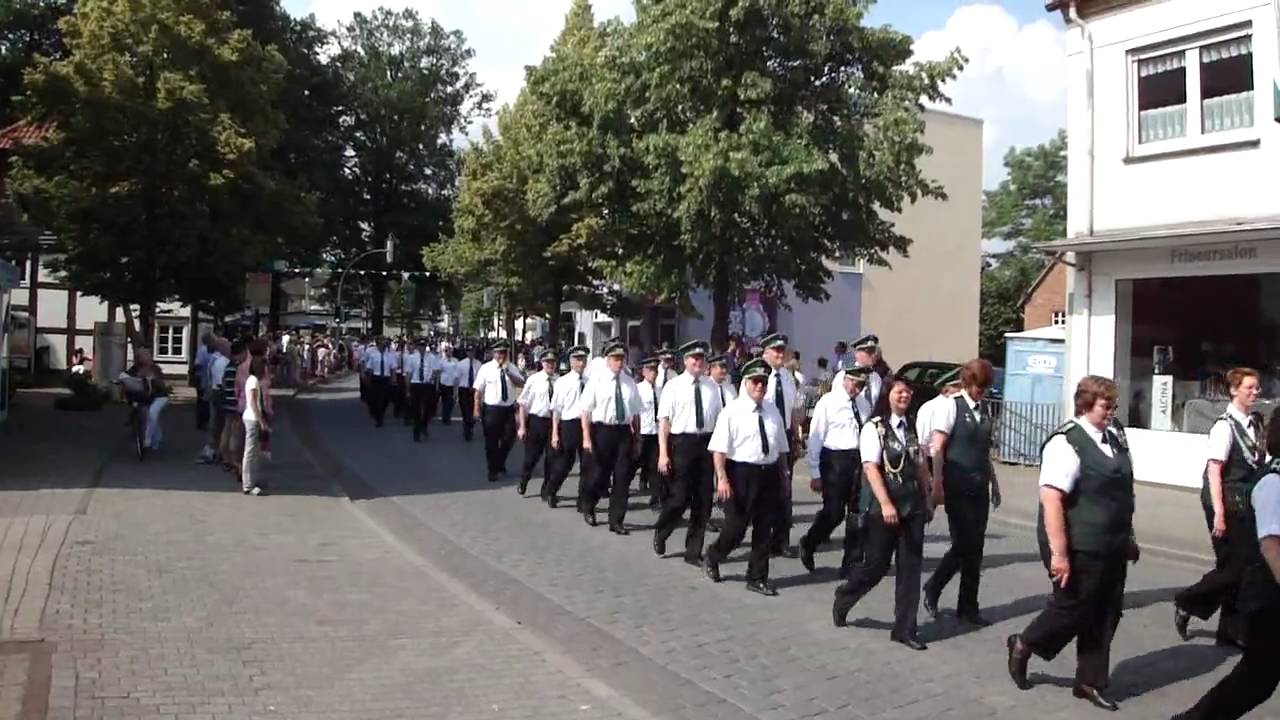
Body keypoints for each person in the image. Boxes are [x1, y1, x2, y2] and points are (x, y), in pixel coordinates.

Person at [1007, 375, 1140, 711]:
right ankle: (1025, 643)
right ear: (1085, 404)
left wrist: (1129, 537)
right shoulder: (1066, 442)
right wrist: (1059, 554)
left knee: (1107, 611)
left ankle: (1088, 681)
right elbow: (1051, 500)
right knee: (1072, 608)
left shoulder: (1114, 438)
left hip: (1111, 541)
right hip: (1078, 542)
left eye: (1113, 405)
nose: (1111, 412)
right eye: (1105, 406)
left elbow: (1122, 493)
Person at [1172, 407, 1280, 720]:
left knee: (1255, 679)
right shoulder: (1272, 483)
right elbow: (1272, 547)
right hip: (1269, 598)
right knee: (1255, 681)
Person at [832, 375, 930, 649]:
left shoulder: (911, 426)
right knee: (876, 566)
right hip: (883, 507)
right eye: (900, 391)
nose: (905, 396)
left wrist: (929, 498)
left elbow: (920, 463)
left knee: (911, 568)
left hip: (912, 506)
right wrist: (886, 503)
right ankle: (845, 596)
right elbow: (871, 468)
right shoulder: (874, 428)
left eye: (908, 392)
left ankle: (904, 628)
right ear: (888, 394)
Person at [1174, 367, 1264, 648]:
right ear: (1234, 390)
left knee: (1238, 566)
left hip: (1247, 502)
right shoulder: (1224, 427)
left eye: (1257, 387)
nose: (1255, 392)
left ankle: (1229, 631)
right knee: (1237, 566)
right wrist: (1219, 515)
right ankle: (1187, 601)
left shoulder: (1255, 424)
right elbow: (1214, 471)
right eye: (1249, 387)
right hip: (1224, 502)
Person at [923, 358, 1001, 627]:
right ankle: (933, 586)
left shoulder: (984, 411)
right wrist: (937, 485)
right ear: (967, 383)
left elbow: (984, 451)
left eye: (985, 387)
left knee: (975, 549)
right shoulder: (951, 407)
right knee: (963, 544)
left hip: (979, 485)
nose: (982, 391)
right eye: (978, 386)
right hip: (956, 485)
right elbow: (937, 448)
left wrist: (995, 483)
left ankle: (968, 607)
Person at [702, 358, 787, 596]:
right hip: (740, 473)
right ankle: (714, 555)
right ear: (746, 383)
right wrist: (722, 479)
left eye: (763, 382)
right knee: (736, 527)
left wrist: (784, 475)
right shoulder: (732, 411)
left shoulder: (772, 411)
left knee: (764, 528)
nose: (760, 387)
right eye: (755, 382)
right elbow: (719, 449)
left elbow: (780, 447)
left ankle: (757, 576)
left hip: (767, 473)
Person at [653, 341, 724, 563]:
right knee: (679, 497)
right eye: (694, 358)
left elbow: (720, 420)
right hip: (682, 443)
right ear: (685, 361)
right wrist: (663, 453)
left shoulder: (712, 387)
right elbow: (664, 422)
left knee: (703, 500)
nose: (698, 362)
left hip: (705, 443)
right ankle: (662, 530)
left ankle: (693, 550)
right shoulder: (673, 386)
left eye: (702, 358)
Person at [800, 365, 873, 575]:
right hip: (834, 460)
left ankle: (851, 562)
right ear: (844, 380)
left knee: (857, 513)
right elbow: (816, 436)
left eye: (860, 385)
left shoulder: (863, 404)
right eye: (852, 382)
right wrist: (814, 472)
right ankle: (810, 542)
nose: (855, 388)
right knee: (834, 512)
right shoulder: (829, 402)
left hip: (858, 459)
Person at [579, 340, 643, 533]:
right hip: (602, 431)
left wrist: (637, 437)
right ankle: (588, 504)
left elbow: (635, 412)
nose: (619, 362)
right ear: (607, 359)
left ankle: (616, 520)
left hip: (623, 432)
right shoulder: (597, 380)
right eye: (615, 358)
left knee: (622, 478)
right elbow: (585, 411)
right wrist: (586, 437)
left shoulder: (629, 382)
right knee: (598, 474)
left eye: (622, 358)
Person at [756, 333, 801, 558]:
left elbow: (792, 409)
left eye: (783, 350)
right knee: (765, 492)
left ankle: (781, 540)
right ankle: (762, 538)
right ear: (765, 353)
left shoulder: (787, 376)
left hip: (784, 436)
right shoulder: (757, 376)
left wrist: (796, 435)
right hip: (763, 437)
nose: (780, 354)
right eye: (776, 351)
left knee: (785, 490)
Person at [546, 346, 592, 508]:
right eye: (578, 359)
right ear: (571, 362)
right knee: (565, 462)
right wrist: (555, 434)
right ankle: (551, 490)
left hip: (587, 425)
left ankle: (583, 500)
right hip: (569, 425)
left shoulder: (590, 381)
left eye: (583, 359)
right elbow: (556, 409)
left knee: (587, 464)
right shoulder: (563, 382)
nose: (581, 363)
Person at [473, 339, 524, 483]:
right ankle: (492, 470)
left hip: (508, 409)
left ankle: (499, 462)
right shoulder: (486, 368)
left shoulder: (512, 367)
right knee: (491, 441)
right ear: (493, 354)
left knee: (509, 438)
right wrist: (476, 408)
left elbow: (521, 383)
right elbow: (478, 389)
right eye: (498, 353)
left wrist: (508, 372)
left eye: (504, 353)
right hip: (491, 409)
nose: (501, 355)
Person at [517, 349, 559, 497]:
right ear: (542, 363)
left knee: (552, 458)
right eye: (547, 362)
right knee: (532, 456)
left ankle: (546, 489)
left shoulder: (559, 381)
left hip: (553, 423)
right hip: (536, 422)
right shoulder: (533, 380)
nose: (550, 365)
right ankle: (524, 480)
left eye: (553, 362)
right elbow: (523, 403)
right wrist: (522, 426)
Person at [120, 348, 171, 451]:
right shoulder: (135, 368)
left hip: (160, 397)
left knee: (152, 412)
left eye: (147, 356)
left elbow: (162, 385)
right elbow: (125, 376)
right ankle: (156, 439)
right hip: (146, 397)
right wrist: (121, 380)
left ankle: (147, 440)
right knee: (147, 413)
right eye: (142, 357)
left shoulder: (155, 369)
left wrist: (153, 379)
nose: (145, 359)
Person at [634, 356, 663, 510]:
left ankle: (656, 499)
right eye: (650, 370)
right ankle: (621, 494)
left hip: (656, 433)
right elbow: (633, 412)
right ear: (644, 372)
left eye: (655, 370)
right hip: (642, 433)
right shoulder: (637, 389)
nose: (654, 373)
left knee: (656, 468)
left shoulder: (660, 390)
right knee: (632, 465)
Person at [241, 356, 271, 496]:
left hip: (253, 418)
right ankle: (248, 484)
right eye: (264, 366)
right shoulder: (252, 381)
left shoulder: (254, 381)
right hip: (252, 419)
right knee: (250, 452)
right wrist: (261, 421)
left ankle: (254, 480)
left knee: (255, 452)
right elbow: (253, 403)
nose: (266, 369)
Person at [404, 338, 434, 442]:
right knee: (416, 409)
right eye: (420, 346)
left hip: (427, 385)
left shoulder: (431, 358)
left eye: (424, 346)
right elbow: (408, 374)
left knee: (428, 408)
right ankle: (416, 432)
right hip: (416, 384)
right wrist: (407, 390)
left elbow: (434, 371)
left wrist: (432, 378)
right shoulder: (411, 358)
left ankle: (424, 424)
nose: (422, 348)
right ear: (417, 347)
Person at [453, 346, 481, 441]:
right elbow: (456, 379)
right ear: (466, 353)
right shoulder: (461, 364)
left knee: (472, 410)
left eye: (472, 352)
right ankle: (467, 429)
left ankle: (470, 425)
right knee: (465, 410)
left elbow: (481, 380)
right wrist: (455, 392)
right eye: (469, 352)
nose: (471, 354)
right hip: (463, 389)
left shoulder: (479, 364)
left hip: (474, 390)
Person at [364, 338, 392, 427]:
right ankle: (378, 418)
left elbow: (393, 368)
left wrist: (394, 378)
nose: (382, 347)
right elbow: (369, 368)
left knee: (386, 398)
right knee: (376, 398)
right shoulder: (373, 355)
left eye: (384, 345)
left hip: (386, 378)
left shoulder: (389, 355)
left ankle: (381, 412)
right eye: (381, 345)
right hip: (376, 378)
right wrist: (368, 379)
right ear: (378, 346)